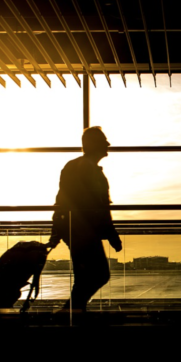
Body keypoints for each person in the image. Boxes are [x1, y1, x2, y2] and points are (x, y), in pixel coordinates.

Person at [49, 126, 122, 314]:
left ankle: (73, 311)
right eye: (104, 140)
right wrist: (112, 234)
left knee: (86, 276)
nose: (108, 144)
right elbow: (99, 208)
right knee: (99, 274)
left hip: (77, 230)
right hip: (83, 231)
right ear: (94, 144)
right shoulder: (87, 170)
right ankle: (71, 311)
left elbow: (62, 201)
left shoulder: (76, 167)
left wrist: (57, 230)